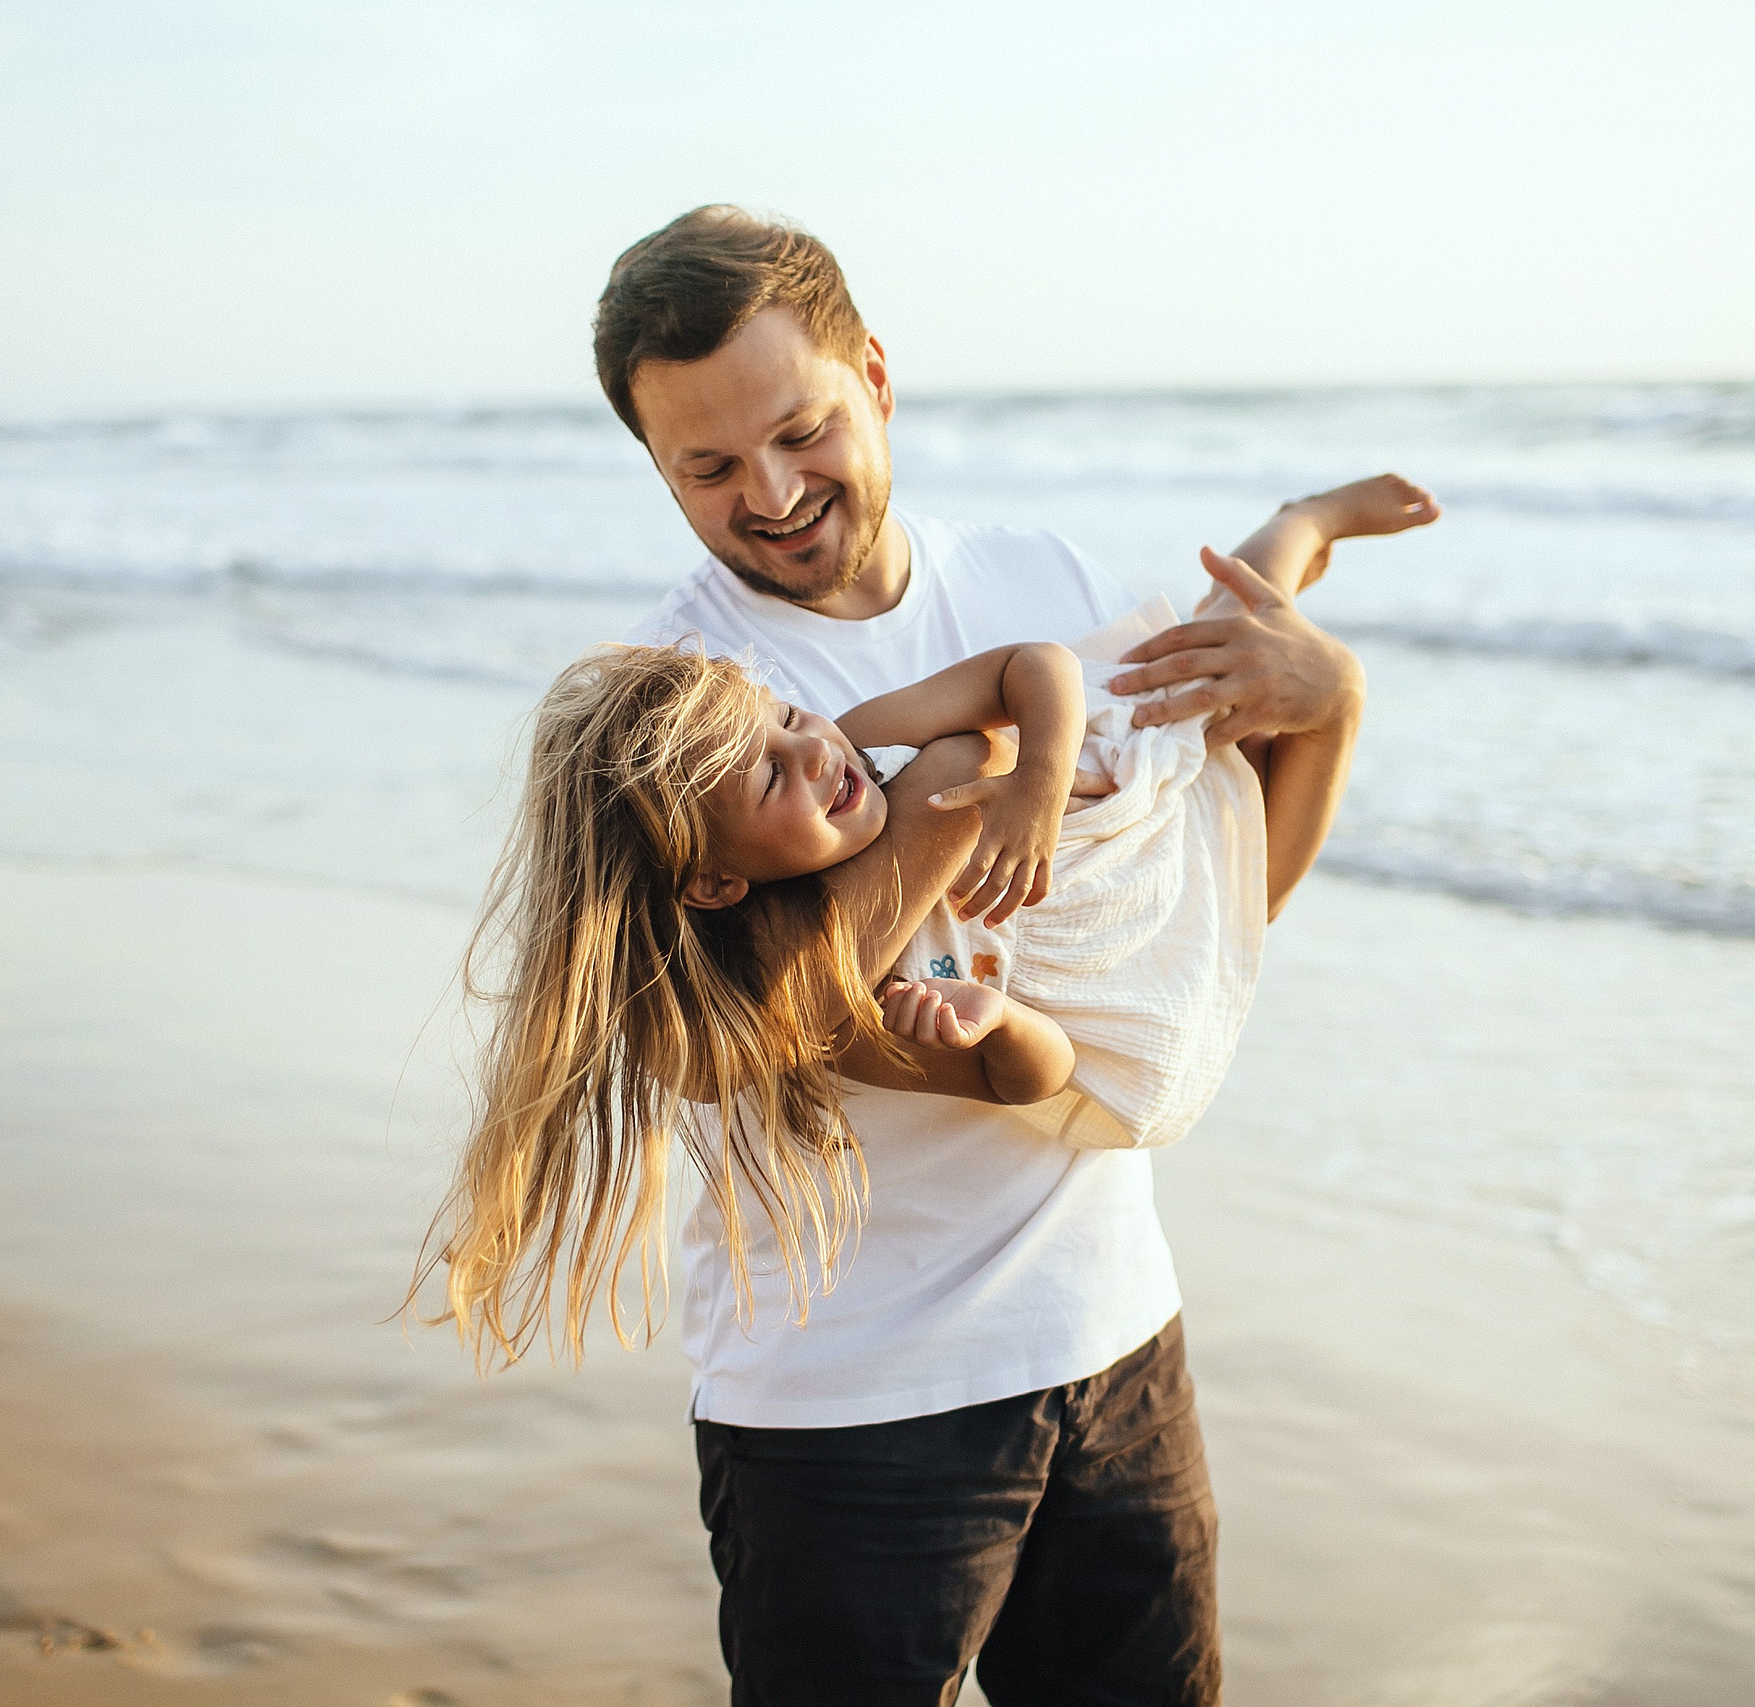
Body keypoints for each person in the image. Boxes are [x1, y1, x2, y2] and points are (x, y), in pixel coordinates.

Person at [454, 203, 1431, 1706]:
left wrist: (1334, 704)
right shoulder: (697, 720)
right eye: (706, 468)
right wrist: (925, 828)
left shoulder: (1036, 574)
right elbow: (727, 1038)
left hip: (1116, 1341)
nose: (771, 495)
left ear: (878, 380)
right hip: (854, 1408)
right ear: (655, 468)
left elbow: (1194, 930)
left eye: (802, 430)